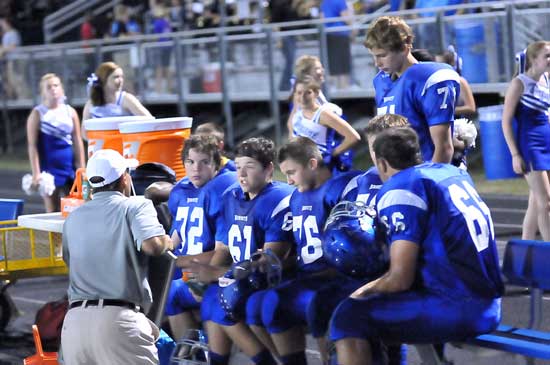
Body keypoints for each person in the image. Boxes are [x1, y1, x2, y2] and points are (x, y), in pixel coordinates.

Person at [330, 127, 503, 365]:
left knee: (348, 316)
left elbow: (400, 279)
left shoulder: (401, 187)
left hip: (458, 306)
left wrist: (359, 293)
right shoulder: (450, 172)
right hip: (487, 301)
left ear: (381, 163)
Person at [183, 137, 294, 365]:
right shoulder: (232, 196)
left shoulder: (278, 199)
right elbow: (223, 247)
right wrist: (207, 276)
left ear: (269, 169)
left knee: (220, 299)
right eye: (238, 167)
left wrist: (215, 274)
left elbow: (271, 262)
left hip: (272, 279)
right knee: (212, 296)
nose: (241, 174)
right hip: (240, 276)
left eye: (250, 167)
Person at [61, 149, 173, 364]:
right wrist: (167, 241)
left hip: (74, 326)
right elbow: (153, 245)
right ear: (124, 178)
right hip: (118, 322)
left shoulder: (73, 218)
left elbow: (70, 261)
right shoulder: (135, 205)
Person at [260, 136, 361, 365]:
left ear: (312, 164)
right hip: (306, 274)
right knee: (270, 305)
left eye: (292, 172)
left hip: (336, 276)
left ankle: (328, 359)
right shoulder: (296, 196)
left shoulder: (338, 189)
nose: (288, 180)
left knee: (320, 305)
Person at [165, 134, 237, 340]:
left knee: (172, 295)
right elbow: (176, 237)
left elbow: (224, 250)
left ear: (216, 165)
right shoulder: (180, 189)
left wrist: (203, 280)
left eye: (204, 162)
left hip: (211, 269)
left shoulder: (221, 188)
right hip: (187, 267)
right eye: (191, 162)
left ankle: (193, 354)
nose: (196, 169)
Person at [365, 15, 459, 163]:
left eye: (383, 55)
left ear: (406, 44)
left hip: (426, 169)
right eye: (374, 56)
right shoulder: (380, 81)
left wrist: (427, 183)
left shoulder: (430, 78)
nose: (377, 63)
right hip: (395, 171)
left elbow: (444, 147)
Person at [502, 41, 550, 241]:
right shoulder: (519, 83)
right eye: (547, 56)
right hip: (531, 147)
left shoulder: (546, 80)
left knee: (536, 202)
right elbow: (505, 121)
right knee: (546, 203)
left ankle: (526, 246)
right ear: (533, 59)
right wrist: (515, 154)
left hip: (547, 143)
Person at [26, 73, 85, 213]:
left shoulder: (70, 112)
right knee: (52, 210)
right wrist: (36, 172)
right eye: (48, 87)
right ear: (43, 92)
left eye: (56, 85)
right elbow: (32, 145)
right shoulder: (38, 113)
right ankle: (54, 236)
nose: (53, 89)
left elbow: (77, 140)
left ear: (61, 88)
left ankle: (71, 235)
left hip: (69, 167)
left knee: (76, 207)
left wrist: (81, 167)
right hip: (49, 169)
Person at [290, 78, 361, 172]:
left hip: (320, 170)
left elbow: (353, 137)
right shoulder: (298, 113)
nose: (303, 97)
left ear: (316, 93)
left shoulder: (324, 114)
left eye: (308, 92)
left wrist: (331, 155)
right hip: (302, 167)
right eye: (299, 93)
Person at [82, 61, 152, 138]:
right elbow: (84, 133)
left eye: (121, 77)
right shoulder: (91, 104)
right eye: (116, 77)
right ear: (104, 79)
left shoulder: (126, 99)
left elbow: (149, 120)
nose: (120, 80)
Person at [320, 0, 354, 90]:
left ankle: (332, 87)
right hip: (340, 33)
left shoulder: (325, 2)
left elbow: (322, 17)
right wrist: (353, 28)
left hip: (328, 33)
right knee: (343, 61)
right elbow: (345, 17)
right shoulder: (340, 1)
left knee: (332, 61)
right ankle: (344, 87)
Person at [436, 45, 476, 118]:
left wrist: (446, 110)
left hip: (458, 124)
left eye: (439, 64)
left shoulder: (460, 81)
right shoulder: (435, 82)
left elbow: (471, 107)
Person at [0, 16, 21, 99]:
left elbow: (13, 46)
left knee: (16, 80)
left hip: (15, 60)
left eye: (3, 23)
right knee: (9, 80)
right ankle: (12, 97)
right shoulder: (6, 34)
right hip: (9, 61)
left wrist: (3, 49)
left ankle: (22, 97)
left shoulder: (13, 33)